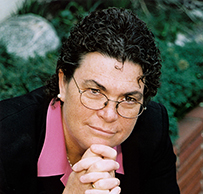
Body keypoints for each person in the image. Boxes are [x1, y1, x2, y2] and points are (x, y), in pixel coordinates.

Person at [0, 7, 180, 194]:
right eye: (94, 91)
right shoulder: (5, 139)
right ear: (63, 82)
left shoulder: (152, 128)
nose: (109, 115)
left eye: (128, 98)